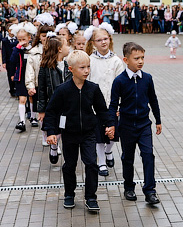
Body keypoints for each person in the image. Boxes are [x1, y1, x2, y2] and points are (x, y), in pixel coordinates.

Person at [43, 50, 115, 212]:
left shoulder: (93, 89)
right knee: (70, 165)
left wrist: (109, 125)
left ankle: (91, 197)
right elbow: (51, 111)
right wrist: (51, 132)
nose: (87, 71)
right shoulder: (63, 90)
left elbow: (102, 110)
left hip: (89, 133)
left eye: (88, 67)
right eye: (82, 67)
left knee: (91, 164)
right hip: (69, 133)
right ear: (71, 69)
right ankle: (69, 194)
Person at [109, 42, 163, 205]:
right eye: (136, 58)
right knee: (128, 157)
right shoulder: (119, 81)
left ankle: (150, 191)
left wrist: (158, 120)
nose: (140, 61)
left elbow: (153, 100)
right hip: (126, 125)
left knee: (148, 155)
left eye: (142, 58)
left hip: (144, 125)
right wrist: (112, 124)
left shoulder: (147, 78)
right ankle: (129, 187)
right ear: (126, 60)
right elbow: (113, 104)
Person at [85, 24, 125, 176]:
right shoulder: (90, 60)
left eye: (105, 39)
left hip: (112, 104)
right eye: (99, 40)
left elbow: (121, 83)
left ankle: (109, 152)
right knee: (99, 136)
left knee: (113, 135)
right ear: (93, 43)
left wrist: (120, 104)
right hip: (96, 105)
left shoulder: (116, 61)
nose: (103, 42)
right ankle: (101, 162)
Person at [35, 34, 69, 164]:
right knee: (55, 130)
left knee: (64, 130)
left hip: (66, 107)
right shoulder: (45, 68)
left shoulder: (67, 66)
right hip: (52, 106)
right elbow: (42, 90)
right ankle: (54, 147)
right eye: (66, 45)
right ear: (60, 49)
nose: (68, 47)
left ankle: (66, 157)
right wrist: (41, 110)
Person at [10, 28, 32, 132]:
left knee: (31, 97)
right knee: (22, 99)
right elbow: (12, 60)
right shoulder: (17, 48)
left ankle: (33, 116)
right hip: (21, 76)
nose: (21, 42)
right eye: (19, 39)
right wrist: (17, 48)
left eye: (23, 39)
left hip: (31, 75)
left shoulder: (33, 48)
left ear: (29, 38)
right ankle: (22, 121)